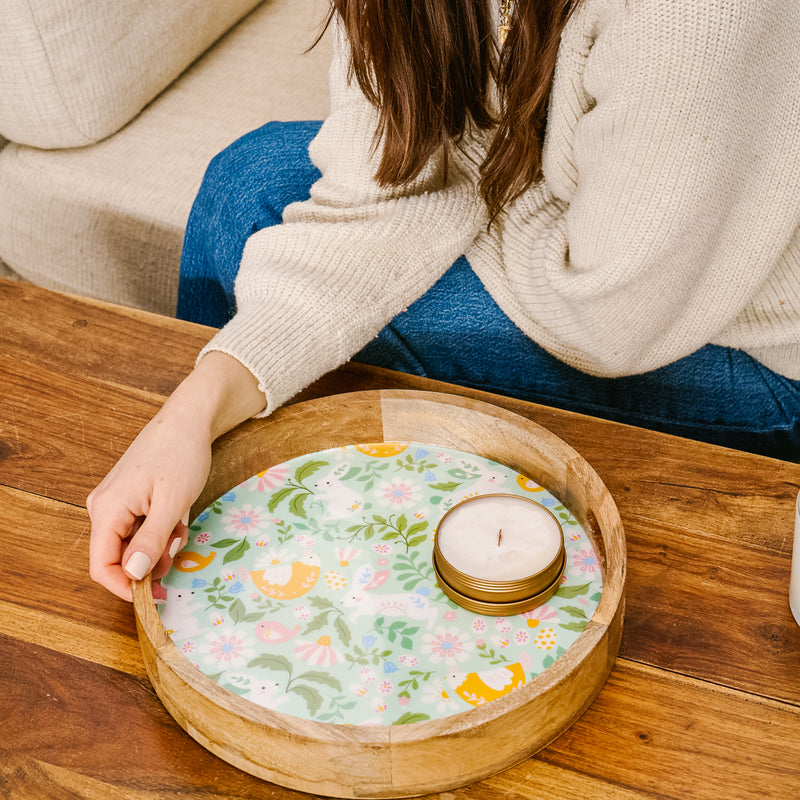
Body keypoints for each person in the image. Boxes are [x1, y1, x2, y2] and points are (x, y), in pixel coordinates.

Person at [88, 0, 800, 601]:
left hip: (738, 342)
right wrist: (194, 409)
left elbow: (607, 314)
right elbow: (388, 179)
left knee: (256, 224)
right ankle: (230, 519)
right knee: (246, 184)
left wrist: (466, 177)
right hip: (618, 259)